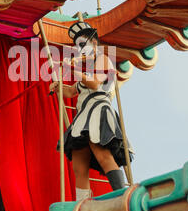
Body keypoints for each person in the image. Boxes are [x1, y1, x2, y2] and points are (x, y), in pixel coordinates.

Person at [49, 21, 134, 201]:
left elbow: (95, 83)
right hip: (84, 112)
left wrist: (73, 69)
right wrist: (58, 87)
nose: (79, 49)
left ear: (93, 43)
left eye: (82, 44)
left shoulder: (104, 60)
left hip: (98, 109)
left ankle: (121, 195)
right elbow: (72, 91)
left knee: (101, 152)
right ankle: (83, 205)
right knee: (79, 165)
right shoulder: (86, 67)